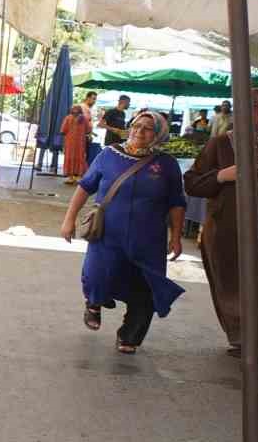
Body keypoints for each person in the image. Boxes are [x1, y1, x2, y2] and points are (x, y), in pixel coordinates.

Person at [61, 110, 186, 355]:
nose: (139, 131)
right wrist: (69, 220)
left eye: (147, 128)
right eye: (136, 125)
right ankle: (94, 303)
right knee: (98, 274)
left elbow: (177, 202)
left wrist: (177, 236)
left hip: (148, 239)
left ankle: (130, 335)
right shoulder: (108, 155)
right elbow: (85, 187)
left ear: (158, 134)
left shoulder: (167, 164)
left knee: (145, 287)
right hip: (108, 233)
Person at [184, 88, 258, 356]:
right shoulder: (221, 144)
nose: (255, 111)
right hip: (228, 233)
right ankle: (243, 339)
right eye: (249, 105)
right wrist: (222, 176)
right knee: (232, 287)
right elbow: (193, 183)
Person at [61, 103, 91, 183]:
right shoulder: (84, 119)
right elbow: (88, 130)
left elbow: (63, 130)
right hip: (80, 143)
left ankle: (71, 177)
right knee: (80, 158)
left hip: (70, 142)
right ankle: (78, 177)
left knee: (70, 157)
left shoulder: (68, 118)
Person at [80, 90, 102, 167]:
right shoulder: (82, 108)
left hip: (86, 136)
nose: (94, 101)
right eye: (93, 99)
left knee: (86, 155)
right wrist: (87, 133)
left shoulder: (88, 108)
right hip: (81, 137)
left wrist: (91, 133)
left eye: (95, 99)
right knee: (82, 155)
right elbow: (82, 123)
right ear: (87, 98)